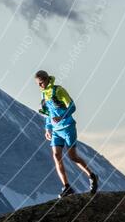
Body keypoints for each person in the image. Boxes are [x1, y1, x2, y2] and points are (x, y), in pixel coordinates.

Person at [35, 70, 98, 198]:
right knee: (56, 155)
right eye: (38, 84)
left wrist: (62, 116)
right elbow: (48, 114)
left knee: (72, 157)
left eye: (41, 83)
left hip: (68, 127)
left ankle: (92, 175)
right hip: (56, 131)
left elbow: (73, 106)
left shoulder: (58, 91)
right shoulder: (43, 95)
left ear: (47, 79)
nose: (40, 86)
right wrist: (47, 129)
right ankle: (66, 186)